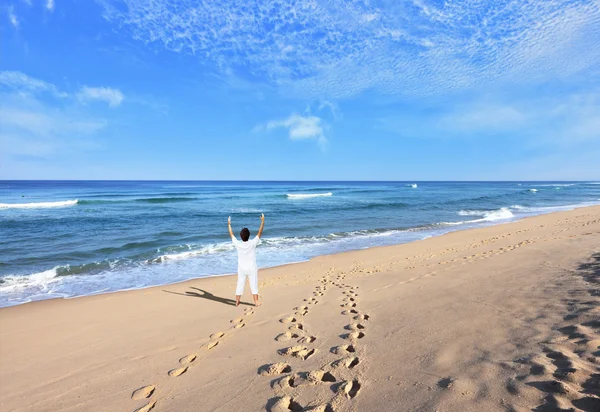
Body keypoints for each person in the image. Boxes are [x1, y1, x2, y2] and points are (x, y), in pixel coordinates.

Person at [228, 213, 265, 307]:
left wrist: (229, 224)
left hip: (242, 269)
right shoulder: (252, 243)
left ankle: (237, 301)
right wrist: (263, 221)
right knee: (254, 284)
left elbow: (231, 235)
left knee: (240, 284)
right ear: (249, 235)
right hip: (252, 268)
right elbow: (259, 233)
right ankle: (256, 302)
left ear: (241, 236)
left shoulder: (238, 244)